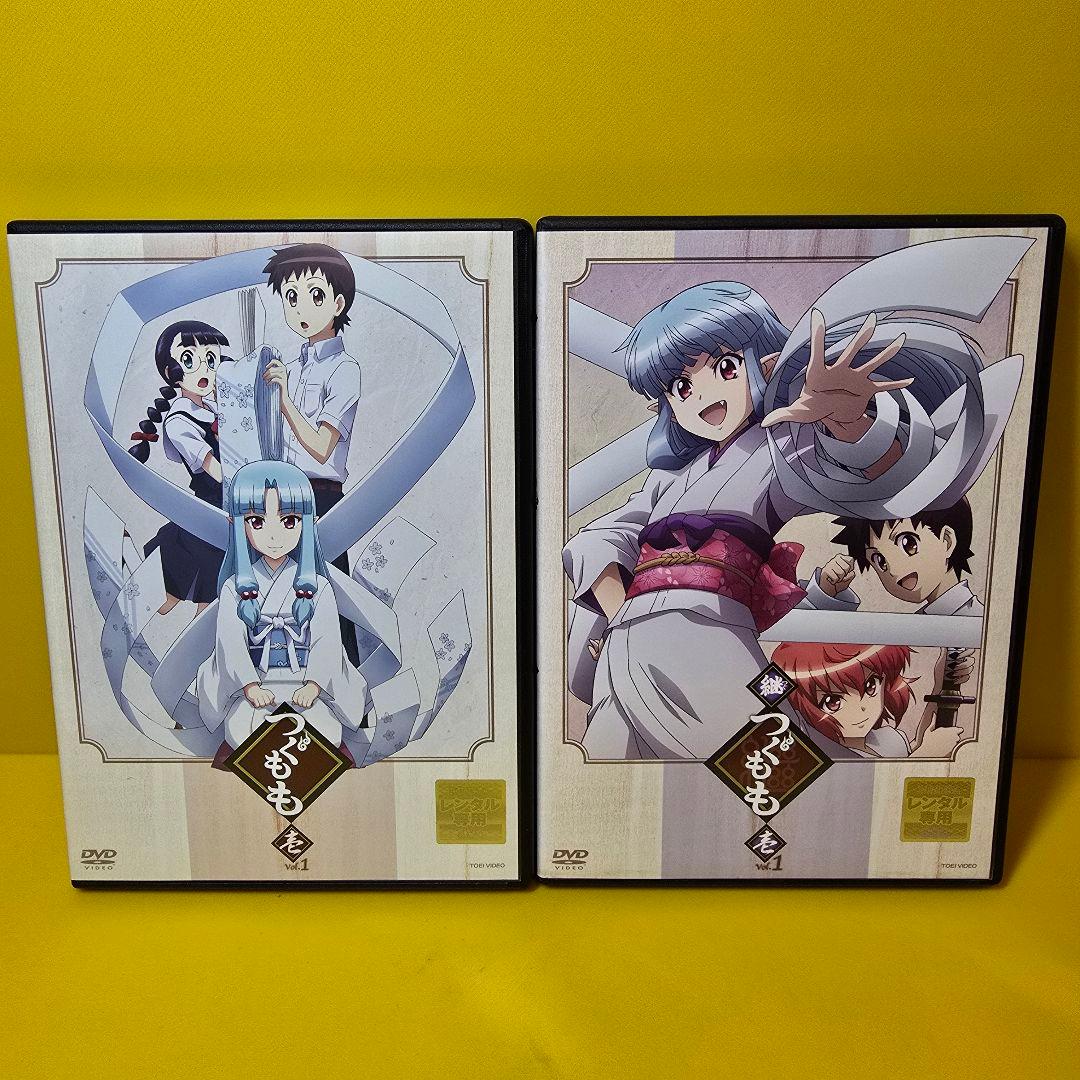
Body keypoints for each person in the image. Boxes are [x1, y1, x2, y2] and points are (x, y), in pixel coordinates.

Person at [565, 278, 1012, 761]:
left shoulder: (781, 444)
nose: (701, 394)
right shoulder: (667, 478)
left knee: (776, 765)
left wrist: (850, 422)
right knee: (608, 772)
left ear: (765, 362)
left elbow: (873, 472)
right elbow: (599, 536)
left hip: (705, 633)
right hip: (624, 646)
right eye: (681, 386)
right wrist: (622, 614)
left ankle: (885, 775)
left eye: (725, 367)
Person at [196, 460, 368, 764]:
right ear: (237, 524)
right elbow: (229, 644)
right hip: (256, 686)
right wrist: (250, 686)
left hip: (305, 683)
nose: (274, 535)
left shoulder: (319, 587)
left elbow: (328, 641)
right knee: (242, 731)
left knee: (325, 732)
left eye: (289, 521)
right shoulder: (234, 588)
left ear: (309, 522)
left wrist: (313, 685)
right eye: (257, 521)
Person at [261, 243, 363, 665]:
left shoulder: (344, 370)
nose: (301, 307)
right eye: (291, 297)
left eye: (315, 295)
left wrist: (284, 400)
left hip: (321, 499)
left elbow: (322, 448)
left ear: (338, 304)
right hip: (279, 496)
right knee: (278, 600)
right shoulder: (291, 364)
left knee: (329, 597)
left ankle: (347, 685)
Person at [129, 320, 227, 614]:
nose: (204, 370)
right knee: (193, 590)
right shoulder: (179, 420)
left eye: (211, 360)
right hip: (212, 507)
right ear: (171, 371)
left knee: (197, 589)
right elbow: (213, 468)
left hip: (223, 508)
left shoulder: (214, 408)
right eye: (189, 360)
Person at [770, 641, 969, 758]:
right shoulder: (826, 755)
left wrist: (940, 682)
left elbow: (914, 747)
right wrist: (926, 756)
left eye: (870, 686)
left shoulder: (887, 738)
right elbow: (873, 795)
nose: (861, 708)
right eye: (833, 702)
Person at [803, 499, 983, 616]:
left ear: (947, 541)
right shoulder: (917, 624)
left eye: (909, 544)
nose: (894, 571)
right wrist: (825, 593)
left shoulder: (975, 622)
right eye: (880, 561)